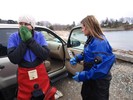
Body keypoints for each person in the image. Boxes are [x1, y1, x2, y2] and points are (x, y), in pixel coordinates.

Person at [7, 15, 56, 100]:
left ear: (32, 26)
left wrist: (30, 40)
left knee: (45, 94)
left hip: (40, 71)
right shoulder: (13, 37)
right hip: (23, 73)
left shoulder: (39, 36)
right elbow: (14, 59)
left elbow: (45, 54)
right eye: (20, 23)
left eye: (26, 24)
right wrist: (24, 41)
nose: (23, 27)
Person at [70, 15, 116, 100]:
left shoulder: (99, 42)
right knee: (86, 94)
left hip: (99, 80)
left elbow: (100, 69)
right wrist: (77, 58)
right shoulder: (91, 39)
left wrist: (83, 75)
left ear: (88, 27)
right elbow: (87, 53)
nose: (82, 29)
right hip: (91, 77)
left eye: (83, 27)